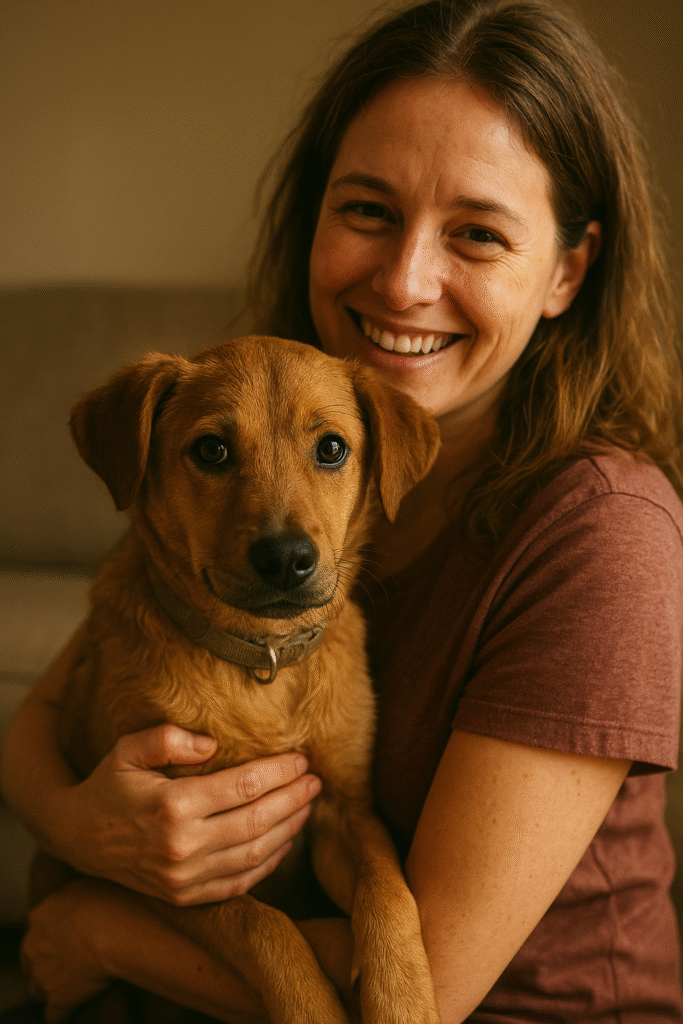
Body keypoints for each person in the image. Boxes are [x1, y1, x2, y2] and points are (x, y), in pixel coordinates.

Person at [2, 0, 682, 1020]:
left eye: (477, 232)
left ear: (565, 270)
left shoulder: (605, 535)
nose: (405, 280)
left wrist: (96, 929)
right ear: (313, 214)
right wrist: (82, 828)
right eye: (366, 209)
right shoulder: (247, 457)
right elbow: (46, 720)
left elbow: (428, 988)